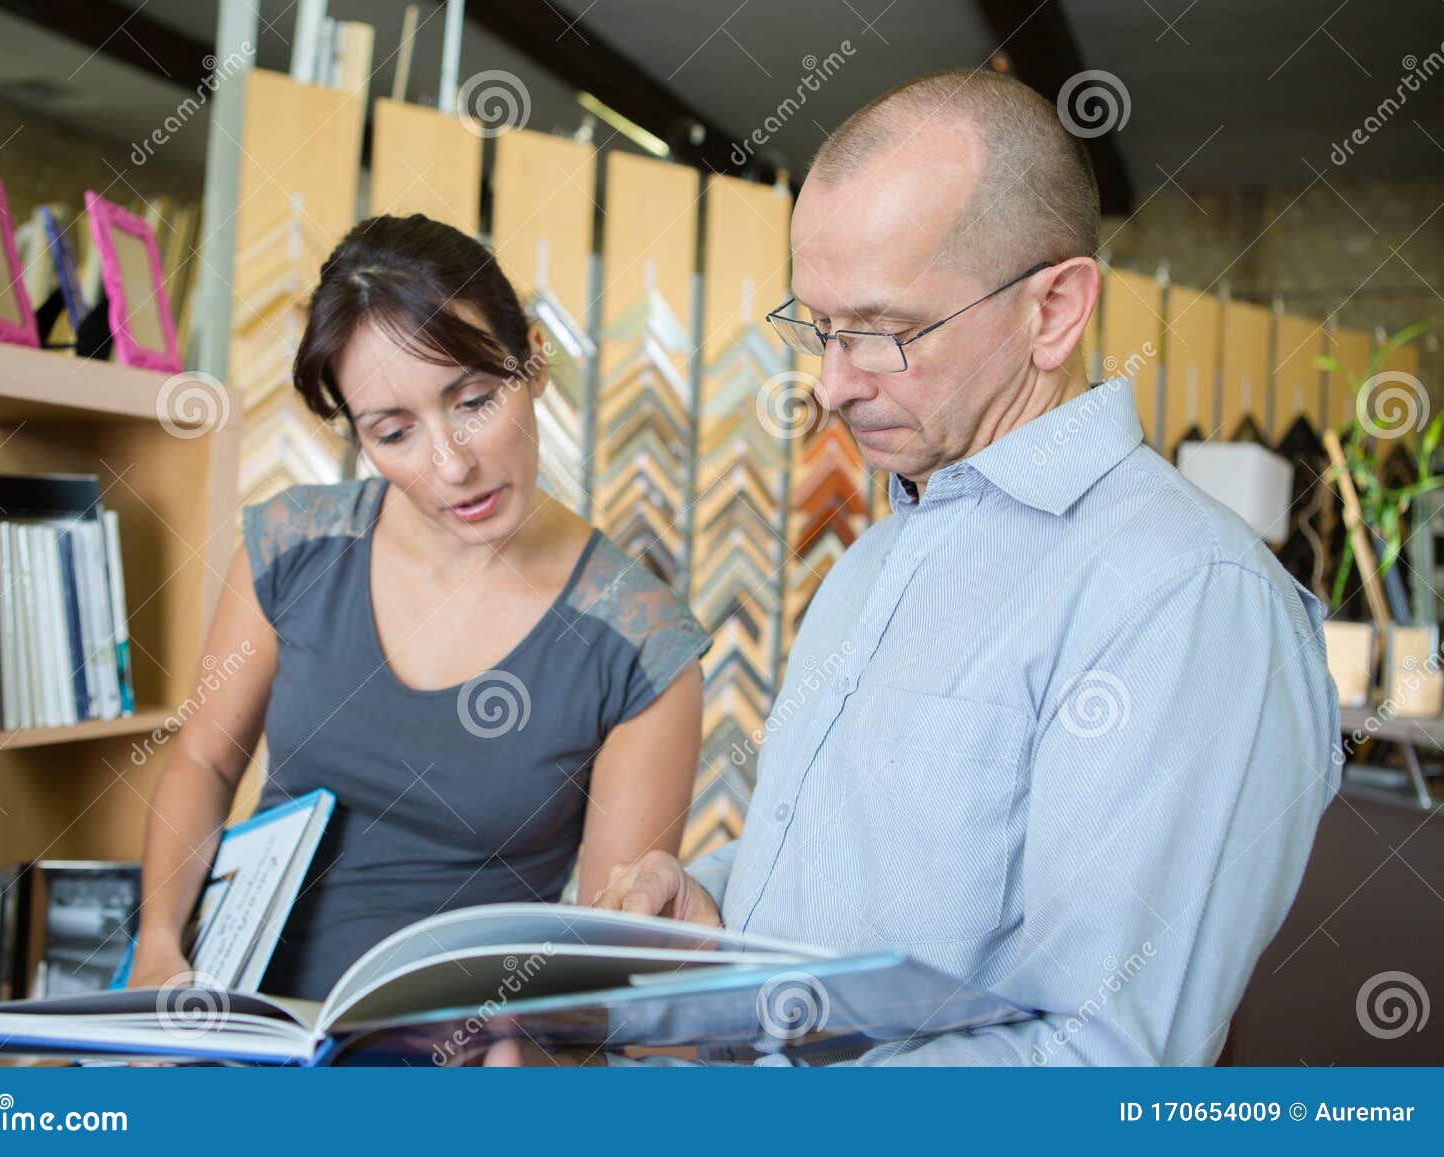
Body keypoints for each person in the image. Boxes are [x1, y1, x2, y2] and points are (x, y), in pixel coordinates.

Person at [487, 68, 1340, 1067]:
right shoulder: (881, 550)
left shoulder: (1184, 596)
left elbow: (1103, 1063)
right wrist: (699, 922)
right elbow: (836, 923)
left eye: (884, 333)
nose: (831, 384)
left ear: (1053, 311)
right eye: (817, 325)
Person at [128, 214, 712, 1000]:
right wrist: (160, 945)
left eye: (473, 400)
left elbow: (605, 947)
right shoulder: (295, 545)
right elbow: (204, 759)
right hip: (234, 1015)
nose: (452, 464)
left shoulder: (639, 641)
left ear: (532, 360)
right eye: (395, 431)